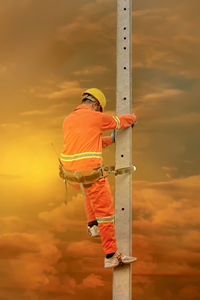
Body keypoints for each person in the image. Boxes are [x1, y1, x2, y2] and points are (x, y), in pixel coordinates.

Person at [60, 88, 137, 268]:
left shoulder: (68, 119)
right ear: (95, 105)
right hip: (90, 173)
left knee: (86, 190)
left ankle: (92, 225)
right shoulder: (96, 117)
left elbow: (89, 142)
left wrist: (111, 140)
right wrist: (133, 118)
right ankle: (111, 255)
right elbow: (119, 122)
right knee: (106, 213)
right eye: (99, 109)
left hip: (71, 174)